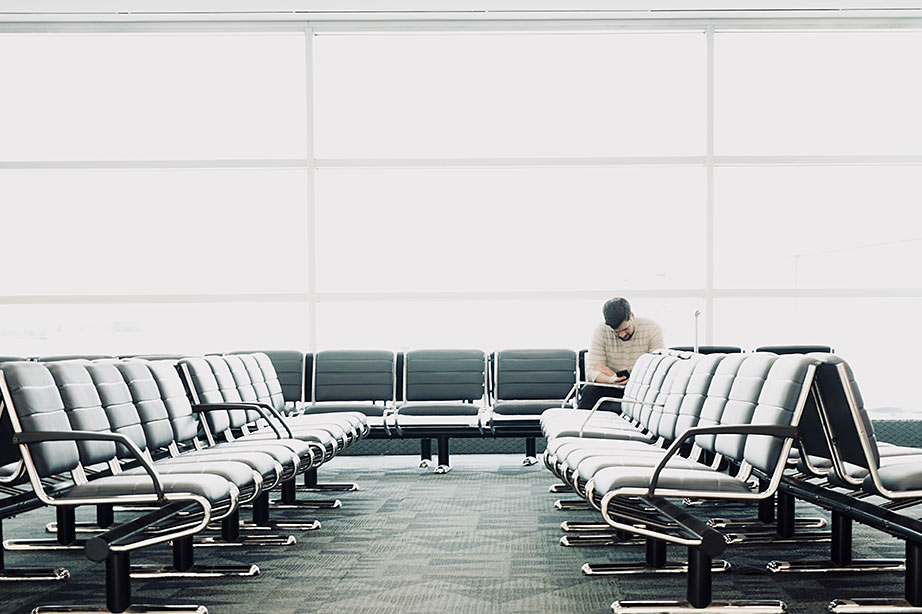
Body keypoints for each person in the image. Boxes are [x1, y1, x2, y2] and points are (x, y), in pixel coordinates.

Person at [578, 297, 665, 409]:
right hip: (614, 385)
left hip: (642, 387)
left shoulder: (652, 328)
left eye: (625, 329)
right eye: (617, 332)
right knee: (589, 390)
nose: (622, 335)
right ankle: (579, 425)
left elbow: (658, 369)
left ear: (632, 316)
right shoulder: (602, 330)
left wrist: (634, 381)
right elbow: (591, 372)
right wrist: (610, 380)